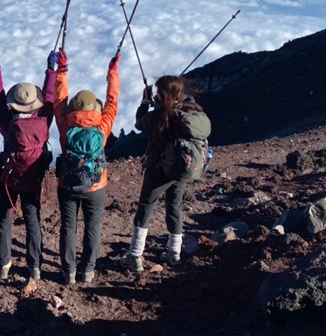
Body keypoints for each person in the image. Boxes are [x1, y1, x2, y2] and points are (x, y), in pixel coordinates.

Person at [121, 76, 211, 272]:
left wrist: (145, 102)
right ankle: (174, 252)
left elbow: (139, 123)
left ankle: (135, 256)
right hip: (181, 168)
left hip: (159, 169)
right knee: (174, 206)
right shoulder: (190, 110)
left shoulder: (161, 116)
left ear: (161, 94)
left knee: (146, 206)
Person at [0, 49, 56, 281]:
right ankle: (34, 266)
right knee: (33, 222)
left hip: (9, 180)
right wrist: (51, 69)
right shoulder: (45, 120)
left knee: (4, 221)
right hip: (33, 179)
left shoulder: (8, 123)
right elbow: (50, 96)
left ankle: (2, 267)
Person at [54, 49, 120, 284]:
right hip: (96, 185)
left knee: (68, 228)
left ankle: (69, 271)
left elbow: (59, 100)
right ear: (95, 110)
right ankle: (88, 270)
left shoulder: (65, 126)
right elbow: (112, 101)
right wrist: (112, 72)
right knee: (92, 227)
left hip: (68, 184)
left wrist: (62, 70)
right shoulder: (102, 128)